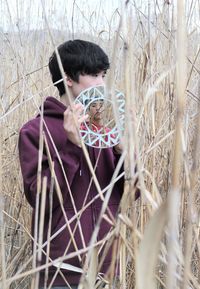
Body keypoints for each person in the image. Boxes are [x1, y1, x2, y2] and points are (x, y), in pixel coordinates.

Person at [18, 39, 134, 289]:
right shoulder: (35, 131)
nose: (102, 83)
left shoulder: (104, 130)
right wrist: (71, 146)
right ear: (69, 78)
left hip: (107, 267)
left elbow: (132, 194)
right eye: (93, 75)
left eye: (104, 75)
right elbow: (41, 198)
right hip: (60, 270)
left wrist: (126, 154)